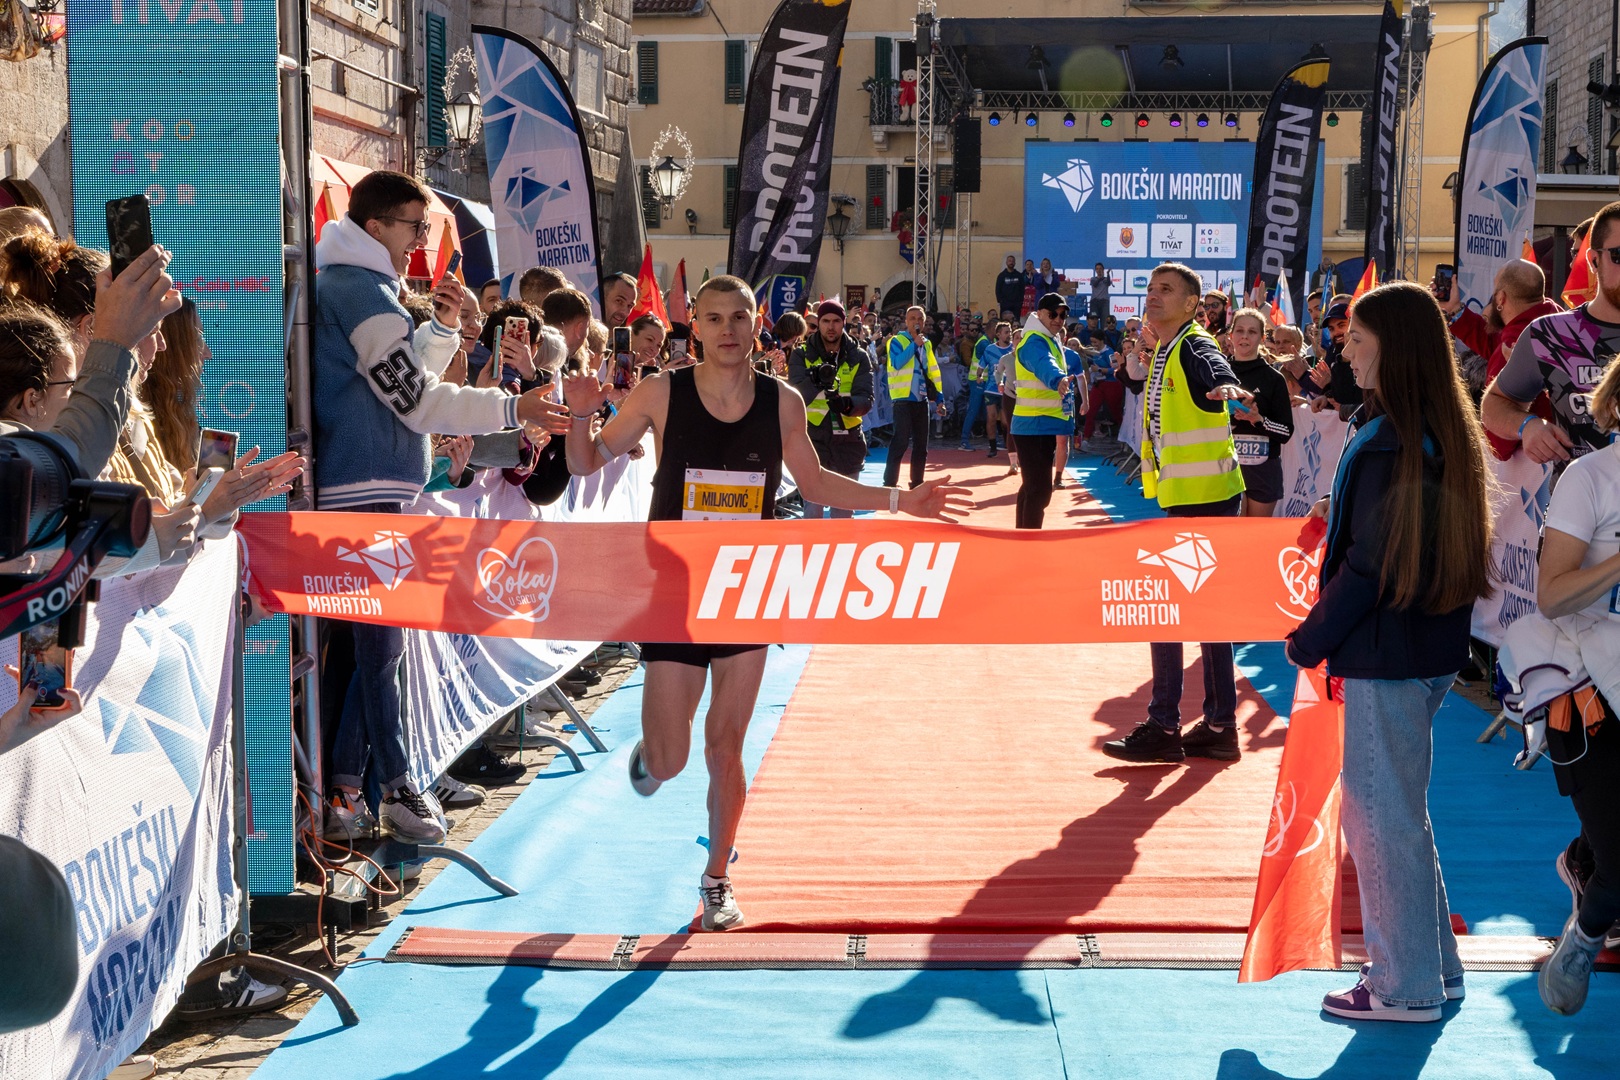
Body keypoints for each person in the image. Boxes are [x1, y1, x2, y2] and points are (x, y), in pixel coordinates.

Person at [561, 275, 970, 930]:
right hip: (675, 592)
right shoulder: (661, 392)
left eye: (739, 317)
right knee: (671, 759)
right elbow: (585, 464)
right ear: (696, 328)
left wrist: (900, 500)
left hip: (746, 590)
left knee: (725, 745)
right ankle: (652, 757)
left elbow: (815, 482)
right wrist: (583, 414)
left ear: (758, 326)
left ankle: (717, 879)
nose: (727, 330)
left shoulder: (782, 401)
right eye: (713, 318)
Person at [311, 170, 569, 843]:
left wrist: (443, 329)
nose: (422, 241)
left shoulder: (360, 285)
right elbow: (417, 402)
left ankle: (352, 792)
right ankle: (389, 787)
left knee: (371, 651)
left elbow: (400, 386)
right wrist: (512, 406)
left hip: (369, 488)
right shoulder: (358, 289)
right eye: (414, 227)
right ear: (376, 228)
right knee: (380, 649)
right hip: (365, 493)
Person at [1285, 281, 1494, 1022]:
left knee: (1379, 819)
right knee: (1401, 813)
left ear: (1392, 348)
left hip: (1388, 651)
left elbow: (1372, 565)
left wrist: (1309, 639)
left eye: (1357, 339)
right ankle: (1432, 968)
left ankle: (1403, 986)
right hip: (1426, 647)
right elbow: (1396, 537)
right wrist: (1338, 508)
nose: (1344, 350)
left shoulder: (1389, 440)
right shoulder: (1431, 428)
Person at [1104, 263, 1252, 765]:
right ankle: (1219, 726)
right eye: (1150, 288)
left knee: (1164, 608)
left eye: (1166, 290)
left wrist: (1226, 384)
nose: (1153, 295)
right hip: (1200, 496)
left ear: (1192, 304)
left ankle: (1166, 725)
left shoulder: (1193, 345)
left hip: (1204, 499)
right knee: (1209, 615)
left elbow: (1213, 365)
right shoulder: (1169, 348)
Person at [1531, 355, 1620, 1016]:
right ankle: (1585, 936)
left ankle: (1586, 857)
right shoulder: (1590, 478)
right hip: (1590, 691)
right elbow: (1553, 594)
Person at [1482, 200, 1620, 468]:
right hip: (1576, 492)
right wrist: (1527, 425)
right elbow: (1494, 404)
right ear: (1594, 260)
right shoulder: (1549, 334)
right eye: (1619, 255)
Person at [1439, 259, 1562, 458]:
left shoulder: (1514, 347)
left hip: (1537, 465)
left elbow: (1497, 445)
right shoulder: (1554, 321)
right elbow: (1495, 343)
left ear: (1501, 298)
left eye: (1495, 290)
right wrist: (1455, 309)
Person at [788, 298, 873, 518]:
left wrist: (847, 405)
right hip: (812, 440)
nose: (831, 326)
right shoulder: (801, 354)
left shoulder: (858, 356)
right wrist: (816, 380)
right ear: (819, 322)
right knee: (812, 512)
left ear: (844, 322)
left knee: (843, 515)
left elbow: (866, 398)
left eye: (836, 321)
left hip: (848, 441)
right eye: (825, 321)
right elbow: (794, 396)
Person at [1007, 293, 1073, 528]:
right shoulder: (1035, 341)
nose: (1058, 319)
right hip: (1033, 424)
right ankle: (1029, 540)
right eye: (1053, 314)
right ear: (1040, 314)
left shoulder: (1047, 338)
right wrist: (1057, 379)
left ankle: (1022, 537)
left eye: (1063, 315)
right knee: (1040, 490)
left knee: (1031, 488)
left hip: (1040, 424)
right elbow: (1044, 363)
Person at [1225, 308, 1295, 516]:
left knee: (1254, 533)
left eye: (1252, 332)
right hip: (1226, 468)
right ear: (1231, 335)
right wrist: (1230, 420)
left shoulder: (1274, 379)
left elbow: (1286, 432)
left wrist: (1258, 419)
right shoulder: (1220, 374)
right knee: (1231, 532)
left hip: (1263, 471)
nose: (1245, 336)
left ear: (1263, 338)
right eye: (1240, 330)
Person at [882, 305, 946, 489]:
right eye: (912, 318)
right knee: (900, 442)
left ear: (924, 322)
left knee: (921, 445)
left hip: (921, 399)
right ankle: (889, 483)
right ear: (906, 322)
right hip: (902, 399)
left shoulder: (927, 344)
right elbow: (897, 363)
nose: (916, 322)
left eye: (920, 319)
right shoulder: (896, 340)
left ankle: (917, 482)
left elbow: (933, 372)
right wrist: (914, 344)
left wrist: (940, 399)